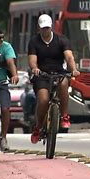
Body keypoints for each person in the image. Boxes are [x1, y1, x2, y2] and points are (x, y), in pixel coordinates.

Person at [28, 14, 80, 144]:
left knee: (64, 83)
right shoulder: (34, 41)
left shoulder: (61, 40)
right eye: (42, 28)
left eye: (47, 28)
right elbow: (32, 61)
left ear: (51, 27)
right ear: (39, 28)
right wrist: (34, 68)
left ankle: (64, 116)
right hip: (42, 75)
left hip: (58, 72)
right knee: (44, 100)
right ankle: (38, 127)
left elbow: (69, 57)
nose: (45, 31)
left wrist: (73, 69)